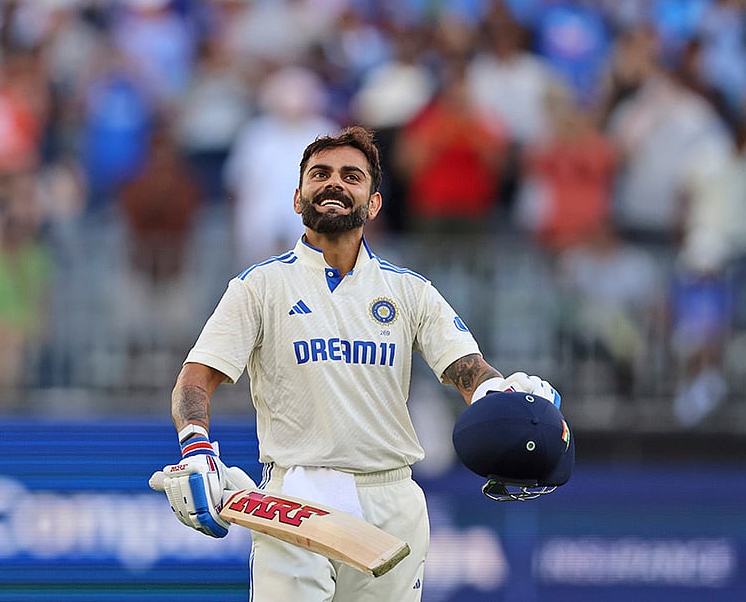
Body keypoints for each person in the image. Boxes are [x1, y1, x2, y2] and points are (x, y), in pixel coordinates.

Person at [151, 126, 562, 601]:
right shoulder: (259, 287)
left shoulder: (409, 290)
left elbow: (468, 372)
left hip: (392, 497)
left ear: (373, 204)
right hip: (295, 494)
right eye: (319, 174)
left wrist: (503, 399)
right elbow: (195, 378)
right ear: (297, 197)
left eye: (352, 176)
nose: (335, 184)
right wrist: (195, 447)